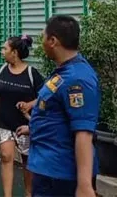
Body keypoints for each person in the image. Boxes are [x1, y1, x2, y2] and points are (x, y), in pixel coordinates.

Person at [17, 15, 100, 197]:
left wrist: (85, 185)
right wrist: (33, 127)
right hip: (48, 168)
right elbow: (57, 114)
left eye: (43, 37)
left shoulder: (77, 79)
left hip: (60, 175)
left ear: (53, 41)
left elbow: (84, 132)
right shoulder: (63, 71)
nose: (42, 43)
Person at [0, 35, 45, 197]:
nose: (2, 51)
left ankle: (29, 193)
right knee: (6, 157)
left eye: (5, 48)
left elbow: (44, 98)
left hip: (25, 126)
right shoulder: (1, 71)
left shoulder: (31, 74)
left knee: (27, 162)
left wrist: (29, 105)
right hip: (4, 122)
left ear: (14, 52)